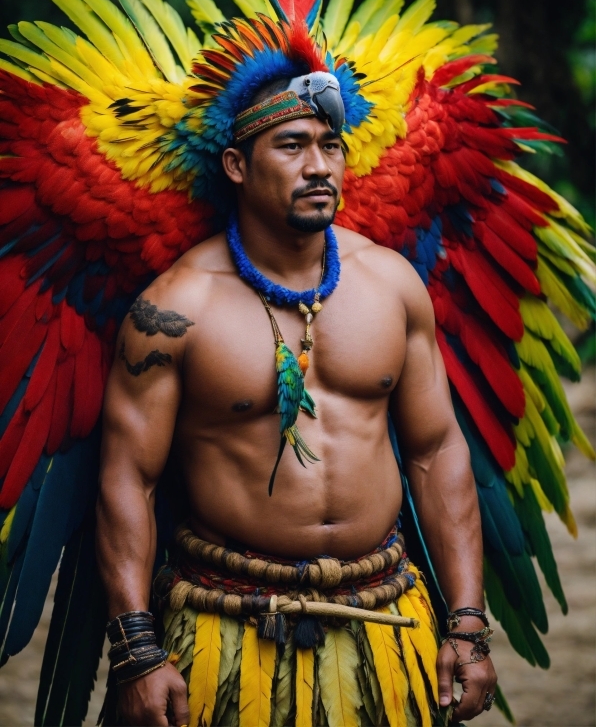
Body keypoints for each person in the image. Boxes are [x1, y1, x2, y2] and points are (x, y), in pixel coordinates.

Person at [96, 74, 497, 727]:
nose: (318, 166)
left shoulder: (391, 285)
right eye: (291, 145)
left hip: (384, 617)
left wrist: (469, 622)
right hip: (228, 629)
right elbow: (127, 478)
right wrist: (137, 651)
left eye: (331, 145)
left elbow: (435, 447)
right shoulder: (175, 308)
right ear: (237, 165)